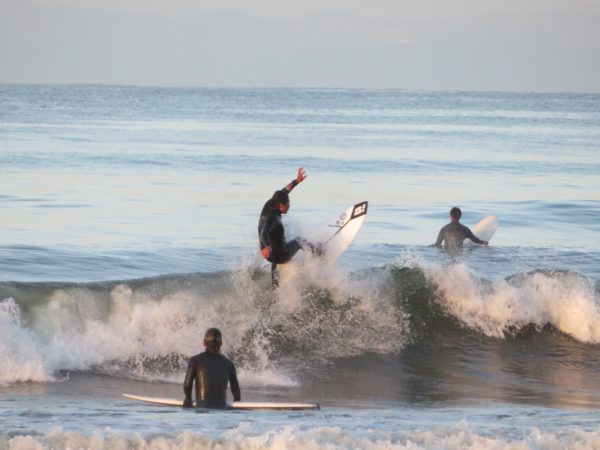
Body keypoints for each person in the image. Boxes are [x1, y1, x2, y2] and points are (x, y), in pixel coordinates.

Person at [258, 167, 320, 288]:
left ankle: (275, 286)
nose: (289, 205)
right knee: (298, 240)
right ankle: (319, 253)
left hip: (270, 256)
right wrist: (267, 246)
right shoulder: (273, 218)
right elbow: (263, 232)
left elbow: (285, 191)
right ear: (281, 205)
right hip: (277, 254)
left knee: (276, 240)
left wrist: (297, 181)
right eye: (288, 203)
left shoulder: (271, 202)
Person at [183, 328, 240, 409]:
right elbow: (236, 391)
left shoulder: (195, 361)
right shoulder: (229, 364)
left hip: (202, 409)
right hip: (222, 409)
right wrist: (237, 404)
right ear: (221, 343)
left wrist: (188, 398)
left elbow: (187, 385)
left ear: (204, 343)